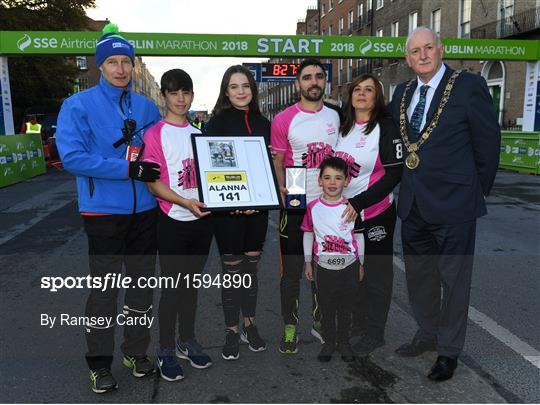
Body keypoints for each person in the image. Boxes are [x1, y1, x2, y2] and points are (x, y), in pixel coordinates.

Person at [388, 27, 500, 381]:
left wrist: (473, 191)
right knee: (420, 278)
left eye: (429, 48)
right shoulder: (402, 93)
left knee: (453, 282)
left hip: (456, 205)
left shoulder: (468, 86)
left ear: (441, 49)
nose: (422, 55)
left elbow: (488, 143)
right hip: (413, 206)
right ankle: (427, 333)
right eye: (415, 51)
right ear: (407, 59)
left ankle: (448, 351)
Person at [56, 23, 162, 394]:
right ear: (100, 66)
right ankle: (99, 364)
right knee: (104, 291)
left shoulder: (147, 106)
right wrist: (127, 168)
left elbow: (163, 151)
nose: (120, 68)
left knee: (142, 288)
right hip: (103, 212)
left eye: (126, 62)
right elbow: (72, 157)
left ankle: (135, 352)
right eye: (112, 62)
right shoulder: (77, 104)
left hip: (145, 211)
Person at [143, 69, 213, 381]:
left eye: (185, 92)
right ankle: (165, 348)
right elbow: (153, 184)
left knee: (191, 285)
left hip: (201, 222)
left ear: (192, 96)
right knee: (173, 289)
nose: (180, 99)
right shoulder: (155, 135)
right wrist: (185, 203)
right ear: (164, 96)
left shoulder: (200, 136)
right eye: (174, 93)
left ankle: (187, 339)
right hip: (173, 219)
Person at [271, 58, 340, 354]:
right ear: (298, 83)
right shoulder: (284, 119)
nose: (314, 82)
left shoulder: (337, 116)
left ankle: (319, 320)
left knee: (324, 268)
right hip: (298, 200)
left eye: (319, 77)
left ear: (324, 81)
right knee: (293, 271)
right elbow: (278, 160)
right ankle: (290, 326)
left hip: (328, 205)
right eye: (308, 77)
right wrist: (281, 188)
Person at [205, 65, 270, 360]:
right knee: (233, 273)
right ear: (226, 91)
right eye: (234, 86)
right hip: (227, 211)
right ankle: (231, 330)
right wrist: (234, 200)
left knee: (251, 270)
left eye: (245, 86)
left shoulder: (264, 123)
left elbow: (269, 169)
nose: (241, 91)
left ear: (253, 90)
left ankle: (250, 325)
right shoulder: (215, 124)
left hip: (257, 210)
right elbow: (213, 172)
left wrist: (260, 198)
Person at [336, 74, 403, 356]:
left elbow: (394, 174)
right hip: (346, 215)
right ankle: (358, 324)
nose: (362, 94)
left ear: (377, 97)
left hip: (376, 212)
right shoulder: (343, 127)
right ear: (350, 95)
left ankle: (375, 333)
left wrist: (360, 202)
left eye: (369, 90)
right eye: (358, 90)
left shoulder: (386, 128)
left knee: (377, 275)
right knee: (354, 273)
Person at [302, 157, 364, 363]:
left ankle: (344, 342)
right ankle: (329, 342)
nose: (332, 182)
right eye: (327, 177)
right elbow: (308, 234)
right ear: (319, 180)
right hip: (324, 268)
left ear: (346, 181)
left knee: (346, 308)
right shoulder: (313, 208)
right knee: (327, 308)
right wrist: (308, 261)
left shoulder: (352, 207)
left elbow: (359, 236)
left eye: (338, 178)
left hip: (349, 266)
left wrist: (361, 263)